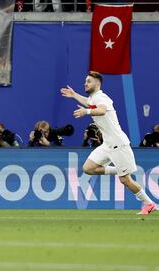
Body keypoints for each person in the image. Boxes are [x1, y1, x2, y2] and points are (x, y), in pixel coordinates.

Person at [61, 71, 156, 215]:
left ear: (97, 84)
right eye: (85, 81)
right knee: (88, 168)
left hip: (118, 144)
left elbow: (101, 110)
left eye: (89, 81)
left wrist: (86, 112)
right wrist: (74, 95)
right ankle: (120, 169)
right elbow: (88, 102)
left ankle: (149, 204)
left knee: (125, 180)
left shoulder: (102, 97)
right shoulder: (94, 98)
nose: (85, 83)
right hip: (107, 145)